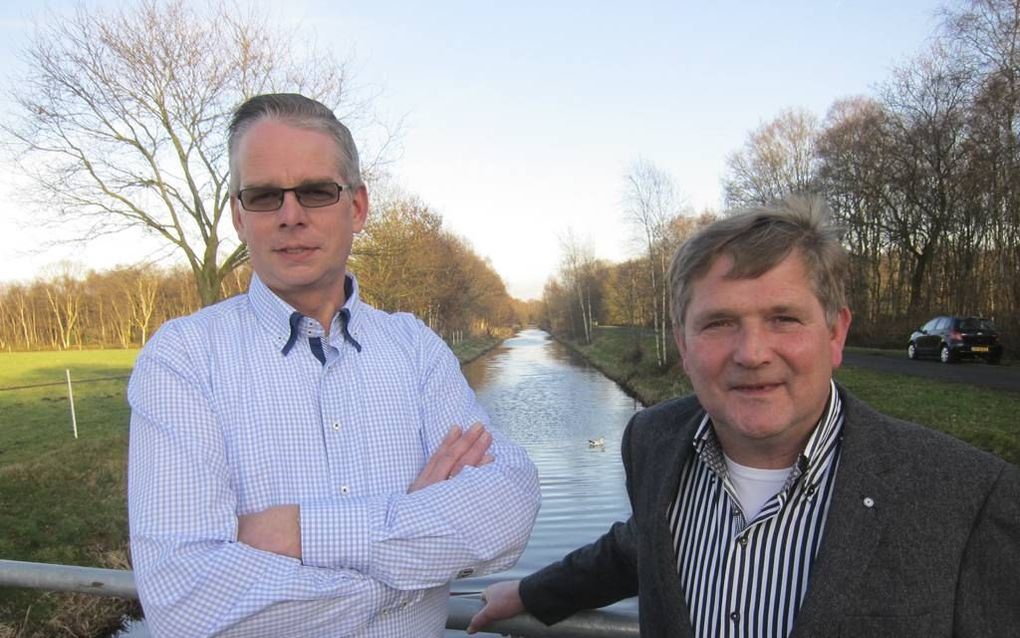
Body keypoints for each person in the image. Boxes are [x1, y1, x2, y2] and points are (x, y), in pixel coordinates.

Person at [468, 197, 1020, 637]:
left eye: (784, 318)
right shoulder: (654, 440)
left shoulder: (967, 495)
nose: (752, 352)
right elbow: (640, 546)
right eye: (719, 324)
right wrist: (528, 594)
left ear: (835, 334)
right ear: (683, 346)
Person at [127, 93, 540, 637]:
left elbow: (508, 503)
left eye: (317, 192)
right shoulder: (182, 360)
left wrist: (305, 533)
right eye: (264, 195)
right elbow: (187, 603)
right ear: (237, 216)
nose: (290, 216)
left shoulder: (414, 348)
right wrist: (407, 564)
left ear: (359, 207)